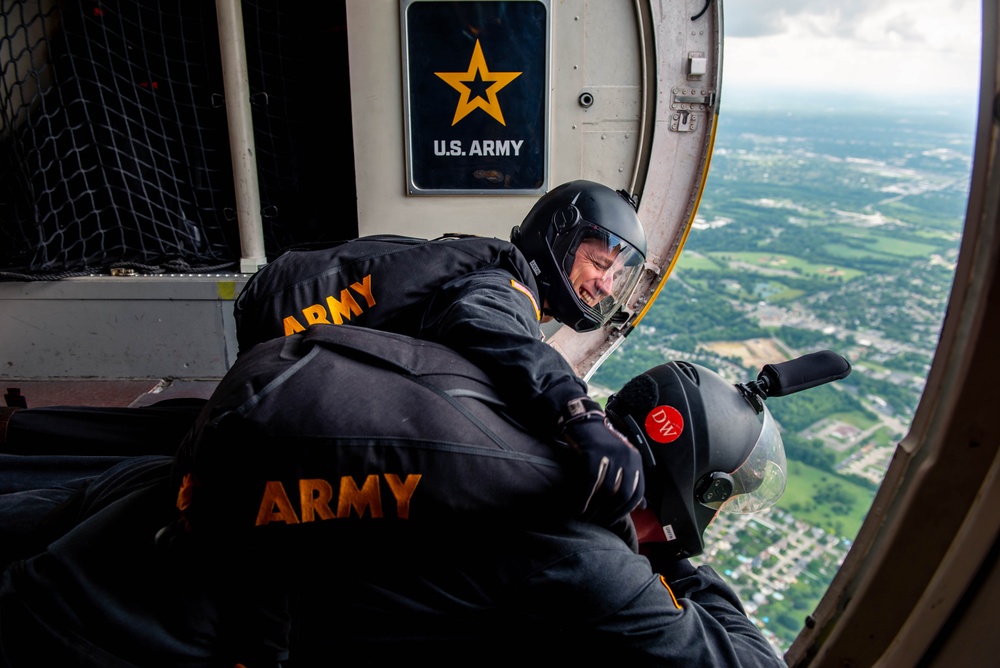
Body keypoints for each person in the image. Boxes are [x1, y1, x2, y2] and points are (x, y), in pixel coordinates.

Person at [0, 324, 794, 667]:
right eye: (720, 502)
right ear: (697, 493)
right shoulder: (595, 564)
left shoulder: (542, 413)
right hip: (170, 615)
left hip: (166, 497)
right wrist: (683, 555)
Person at [228, 179, 649, 526]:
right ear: (558, 237)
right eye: (598, 263)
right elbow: (491, 325)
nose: (606, 285)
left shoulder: (485, 267)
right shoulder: (505, 286)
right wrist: (578, 411)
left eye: (615, 274)